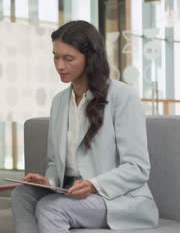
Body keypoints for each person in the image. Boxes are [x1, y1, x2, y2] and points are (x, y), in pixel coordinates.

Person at [11, 20, 159, 232]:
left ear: (90, 58)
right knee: (22, 195)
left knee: (50, 208)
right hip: (69, 190)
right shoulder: (59, 102)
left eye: (68, 58)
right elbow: (54, 161)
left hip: (114, 198)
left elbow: (137, 168)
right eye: (55, 56)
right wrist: (49, 180)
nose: (59, 65)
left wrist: (94, 185)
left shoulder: (123, 97)